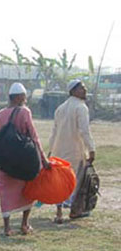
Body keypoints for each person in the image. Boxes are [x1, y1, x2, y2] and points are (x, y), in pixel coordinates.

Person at [0, 83, 50, 236]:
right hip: (24, 159)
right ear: (19, 97)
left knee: (5, 191)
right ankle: (24, 224)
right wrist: (43, 159)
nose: (25, 100)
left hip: (5, 160)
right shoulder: (24, 112)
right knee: (28, 189)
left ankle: (7, 227)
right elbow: (33, 136)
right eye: (24, 97)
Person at [48, 79, 96, 222]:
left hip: (58, 152)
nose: (85, 90)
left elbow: (54, 132)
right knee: (75, 182)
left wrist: (51, 150)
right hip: (74, 152)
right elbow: (84, 131)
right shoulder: (81, 107)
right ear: (73, 91)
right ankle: (75, 211)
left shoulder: (60, 108)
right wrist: (91, 149)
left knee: (59, 183)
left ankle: (59, 213)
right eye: (82, 88)